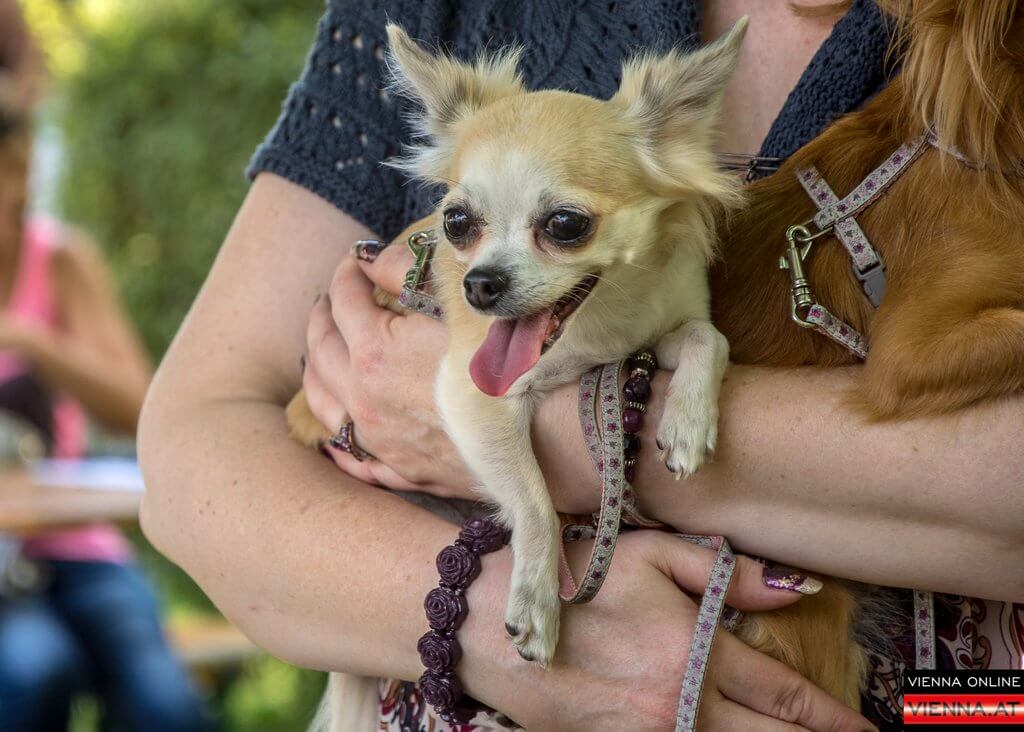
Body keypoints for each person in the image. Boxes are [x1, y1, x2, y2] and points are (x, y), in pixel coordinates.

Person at [139, 0, 1023, 730]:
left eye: (565, 226)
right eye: (461, 225)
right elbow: (191, 457)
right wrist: (498, 623)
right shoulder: (438, 17)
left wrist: (586, 440)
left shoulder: (991, 41)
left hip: (964, 704)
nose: (487, 273)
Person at [0, 9, 210, 730]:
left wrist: (32, 339)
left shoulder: (58, 262)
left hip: (75, 544)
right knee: (34, 672)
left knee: (166, 704)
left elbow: (137, 408)